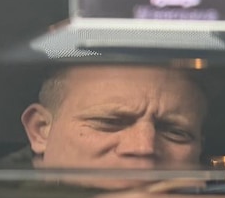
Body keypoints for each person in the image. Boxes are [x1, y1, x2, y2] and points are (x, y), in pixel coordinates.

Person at [20, 65, 208, 176]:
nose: (144, 147)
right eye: (109, 122)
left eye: (175, 132)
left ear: (199, 149)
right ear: (40, 130)